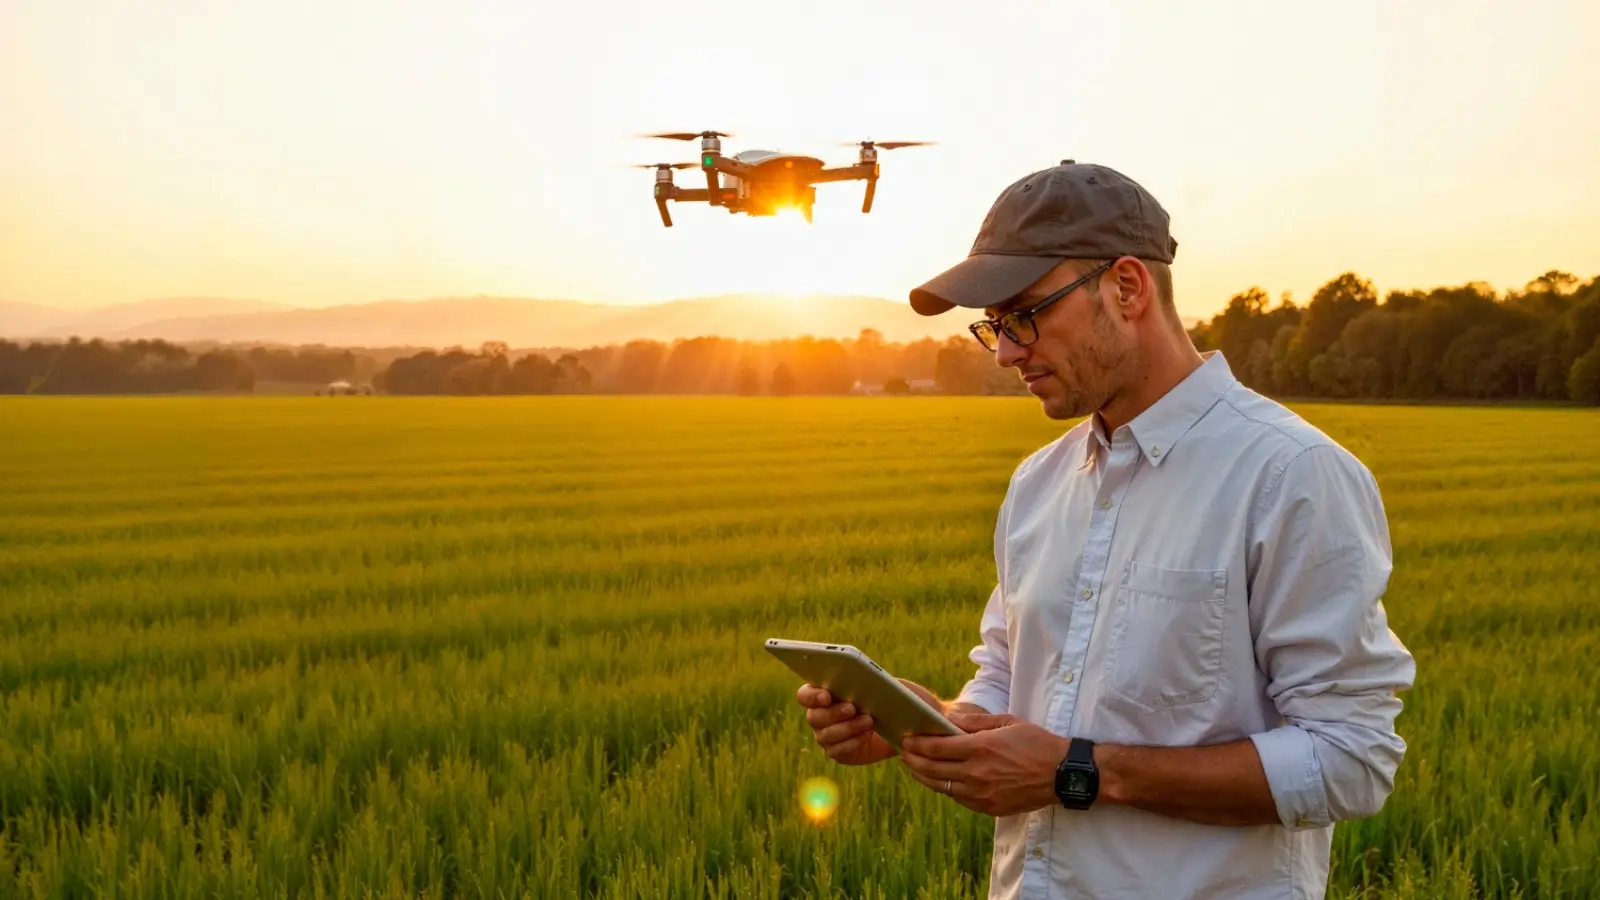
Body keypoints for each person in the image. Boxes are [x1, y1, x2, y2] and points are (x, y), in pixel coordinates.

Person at [795, 160, 1416, 898]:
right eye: (993, 324)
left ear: (1127, 288)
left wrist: (1077, 772)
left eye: (1025, 313)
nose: (1005, 352)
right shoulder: (1039, 484)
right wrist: (930, 724)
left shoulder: (1291, 475)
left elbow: (1352, 760)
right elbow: (1006, 678)